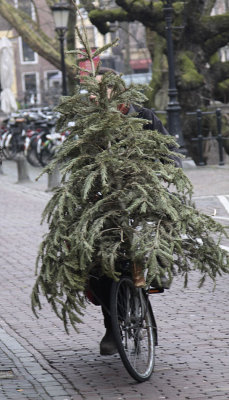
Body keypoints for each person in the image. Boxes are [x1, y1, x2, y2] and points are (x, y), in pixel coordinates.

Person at [86, 67, 181, 356]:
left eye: (101, 89)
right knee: (99, 261)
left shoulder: (143, 117)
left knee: (151, 244)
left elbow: (170, 152)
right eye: (92, 89)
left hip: (142, 199)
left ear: (117, 90)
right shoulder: (90, 125)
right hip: (105, 202)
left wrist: (166, 172)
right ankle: (112, 324)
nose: (94, 94)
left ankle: (152, 279)